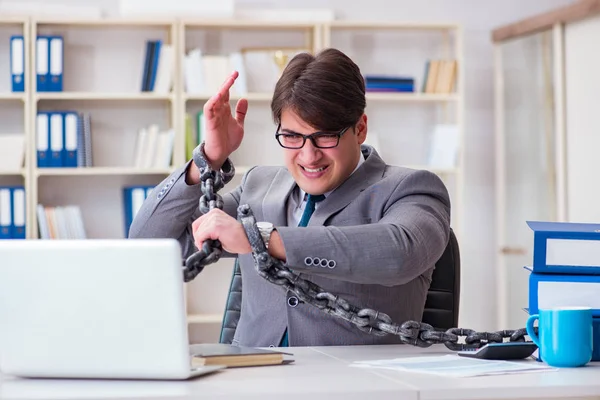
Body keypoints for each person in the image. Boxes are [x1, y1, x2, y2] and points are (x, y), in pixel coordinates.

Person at [129, 48, 451, 348]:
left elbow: (401, 252)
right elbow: (149, 241)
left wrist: (260, 238)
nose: (308, 156)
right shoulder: (259, 186)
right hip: (250, 384)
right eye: (293, 137)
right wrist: (208, 160)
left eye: (325, 136)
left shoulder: (411, 188)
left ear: (360, 129)